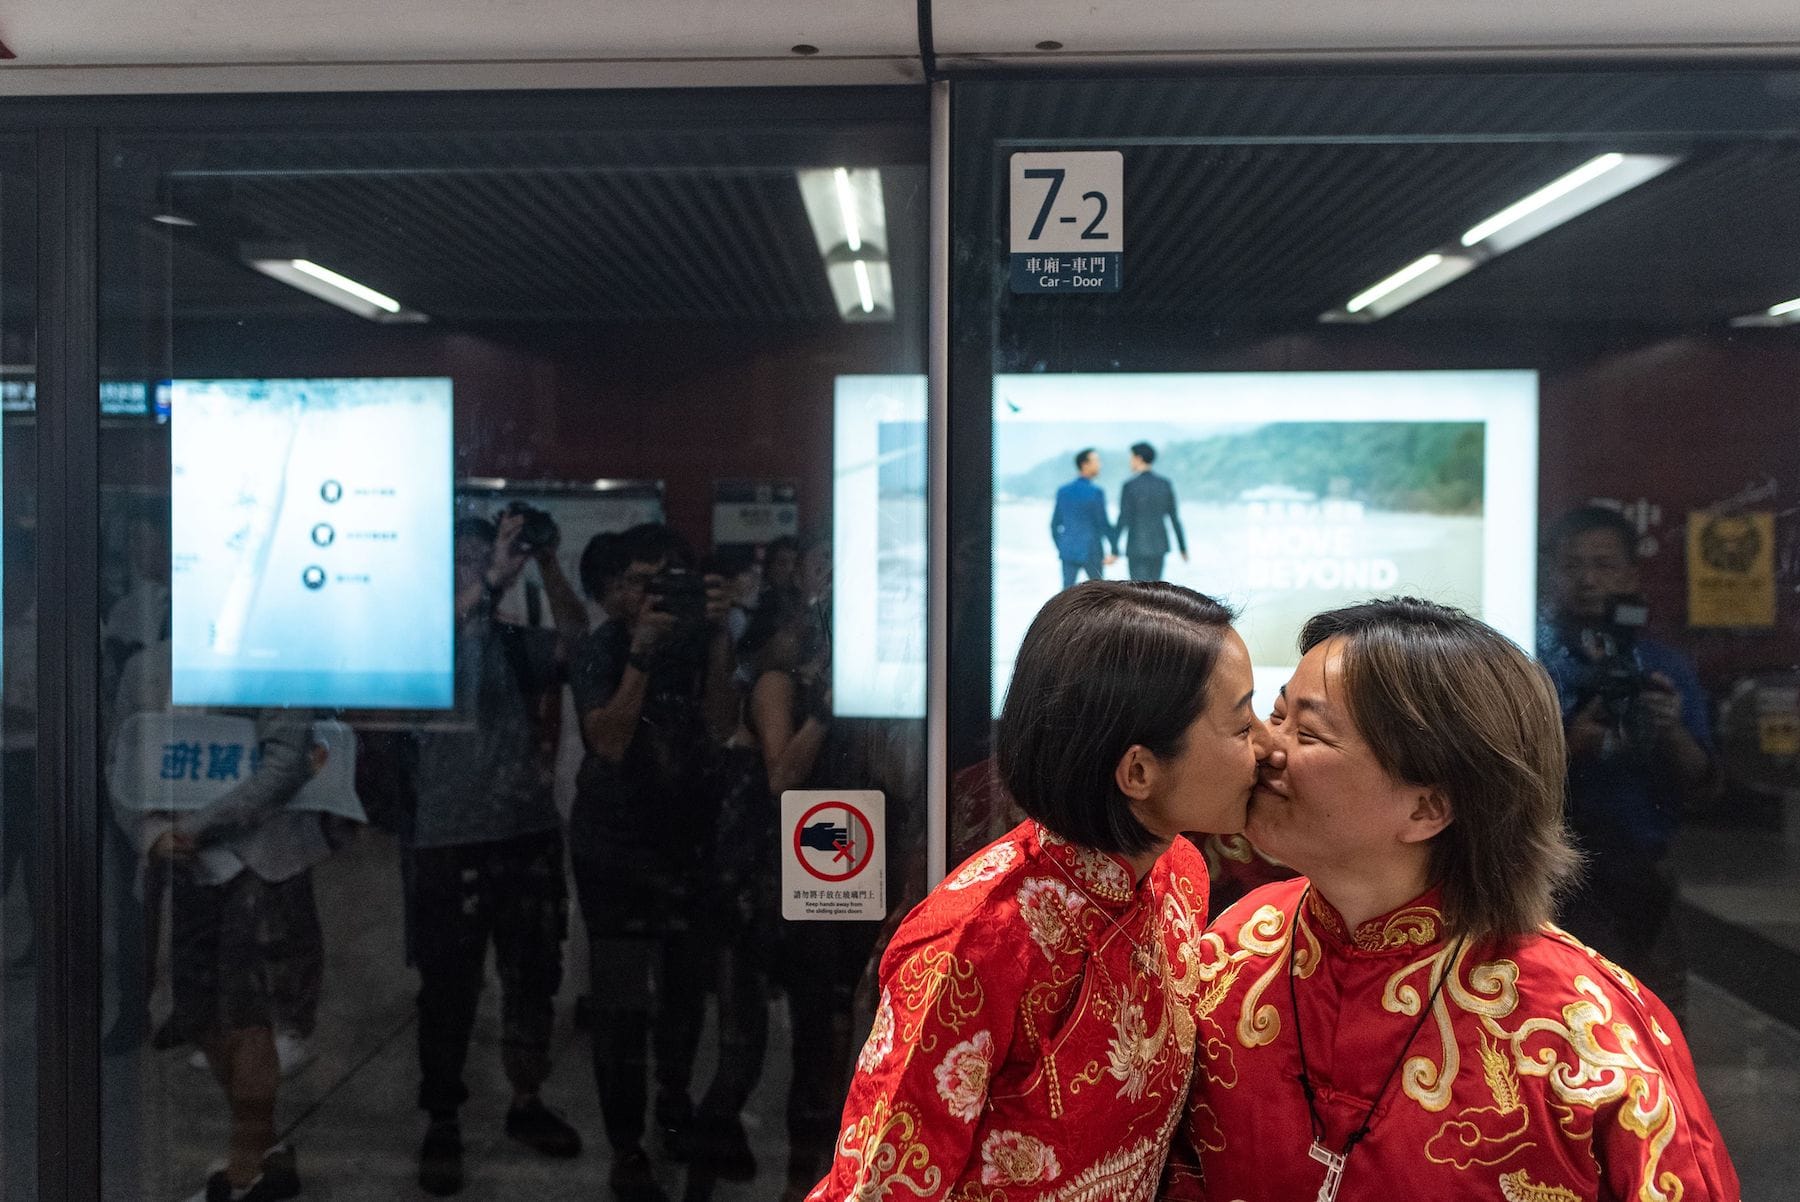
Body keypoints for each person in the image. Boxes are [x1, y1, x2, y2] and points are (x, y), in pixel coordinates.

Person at [1168, 597, 1740, 1202]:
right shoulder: (1230, 953)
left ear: (1427, 808)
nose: (1264, 748)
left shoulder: (1583, 1034)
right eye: (1273, 715)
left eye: (1306, 732)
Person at [806, 581, 1267, 1201]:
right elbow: (883, 1186)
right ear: (1138, 772)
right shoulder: (973, 943)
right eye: (1241, 726)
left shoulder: (1178, 872)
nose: (1266, 745)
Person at [409, 511, 588, 1196]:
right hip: (447, 837)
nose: (481, 567)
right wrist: (482, 586)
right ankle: (443, 1117)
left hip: (525, 829)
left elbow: (581, 647)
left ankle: (525, 1099)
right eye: (464, 559)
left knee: (534, 976)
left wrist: (544, 563)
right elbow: (434, 651)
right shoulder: (420, 639)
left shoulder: (515, 640)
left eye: (488, 555)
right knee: (448, 988)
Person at [568, 525, 738, 1202]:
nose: (651, 594)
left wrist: (720, 638)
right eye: (641, 581)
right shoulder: (603, 646)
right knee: (619, 1008)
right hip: (614, 845)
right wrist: (640, 657)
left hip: (688, 840)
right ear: (618, 591)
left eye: (666, 581)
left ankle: (672, 1100)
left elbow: (724, 721)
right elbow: (607, 741)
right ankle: (627, 1147)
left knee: (684, 992)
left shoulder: (699, 643)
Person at [1539, 505, 1715, 1020]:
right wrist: (1571, 744)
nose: (1589, 579)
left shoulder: (1662, 667)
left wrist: (1668, 727)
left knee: (1654, 1021)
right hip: (1549, 871)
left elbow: (1705, 785)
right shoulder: (1528, 660)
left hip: (1644, 873)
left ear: (1632, 573)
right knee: (1556, 1018)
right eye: (1573, 566)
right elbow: (1495, 777)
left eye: (1604, 564)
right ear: (1551, 572)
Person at [1115, 441, 1188, 582]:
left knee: (1137, 592)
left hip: (1136, 547)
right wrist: (1182, 547)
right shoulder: (1164, 484)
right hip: (1159, 546)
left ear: (1139, 458)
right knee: (1153, 592)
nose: (1130, 462)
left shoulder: (1130, 485)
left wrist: (1114, 548)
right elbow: (1174, 518)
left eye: (1131, 458)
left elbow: (1123, 518)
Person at [1050, 448, 1118, 588]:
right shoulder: (1096, 492)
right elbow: (1103, 523)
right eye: (1096, 461)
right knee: (1099, 595)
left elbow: (1054, 524)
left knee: (1066, 595)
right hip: (1092, 550)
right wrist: (1114, 549)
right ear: (1085, 464)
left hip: (1069, 550)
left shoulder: (1063, 491)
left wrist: (1062, 546)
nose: (1099, 465)